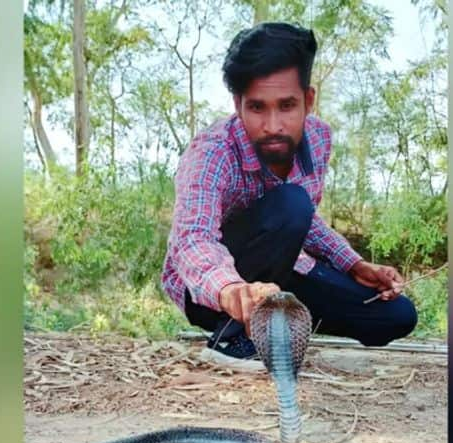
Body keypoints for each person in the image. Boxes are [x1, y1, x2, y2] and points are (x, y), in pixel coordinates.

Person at [161, 22, 417, 370]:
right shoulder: (211, 152)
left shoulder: (319, 139)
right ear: (238, 104)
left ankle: (278, 323)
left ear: (308, 100)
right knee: (291, 201)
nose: (273, 126)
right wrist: (232, 289)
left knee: (395, 315)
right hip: (212, 289)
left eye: (286, 106)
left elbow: (304, 222)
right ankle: (231, 336)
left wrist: (353, 264)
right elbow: (191, 240)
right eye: (256, 108)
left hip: (284, 272)